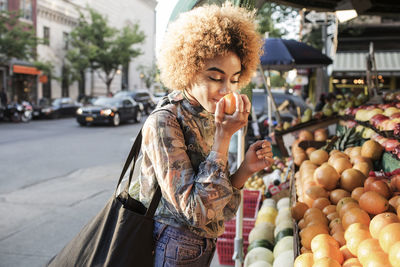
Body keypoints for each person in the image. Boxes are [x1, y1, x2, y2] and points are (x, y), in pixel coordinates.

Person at [130, 3, 274, 266]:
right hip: (173, 244)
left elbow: (218, 211)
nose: (226, 89)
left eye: (234, 79)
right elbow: (196, 213)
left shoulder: (208, 114)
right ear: (187, 70)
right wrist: (223, 138)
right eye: (215, 78)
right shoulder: (164, 122)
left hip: (203, 245)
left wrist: (244, 172)